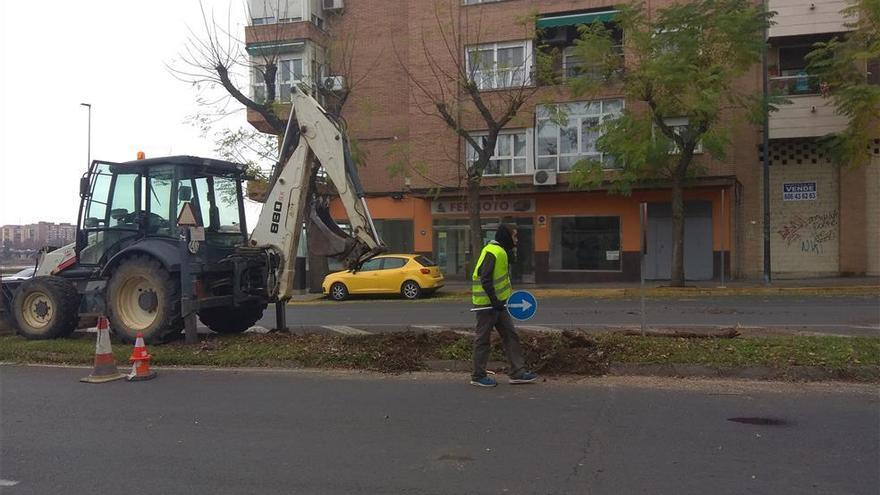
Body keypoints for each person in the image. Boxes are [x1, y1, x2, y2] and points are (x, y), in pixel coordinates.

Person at [470, 223, 538, 387]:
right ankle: (478, 376)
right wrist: (494, 301)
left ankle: (517, 373)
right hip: (487, 305)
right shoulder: (493, 252)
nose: (516, 240)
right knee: (483, 339)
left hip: (499, 305)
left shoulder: (501, 252)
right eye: (514, 236)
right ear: (506, 237)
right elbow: (485, 279)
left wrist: (499, 303)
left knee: (510, 335)